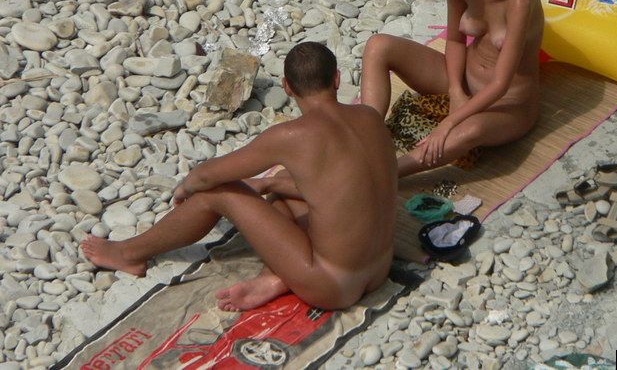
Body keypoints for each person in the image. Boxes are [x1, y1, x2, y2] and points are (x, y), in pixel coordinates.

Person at [81, 42, 398, 311]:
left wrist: (186, 188)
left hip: (331, 287)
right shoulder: (369, 117)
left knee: (217, 193)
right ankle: (274, 278)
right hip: (379, 270)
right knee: (283, 188)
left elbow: (207, 177)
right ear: (337, 79)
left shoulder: (292, 136)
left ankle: (129, 253)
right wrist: (268, 182)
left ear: (287, 87)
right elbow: (345, 190)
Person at [361, 0, 544, 177]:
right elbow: (455, 41)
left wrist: (448, 123)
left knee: (471, 130)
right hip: (462, 81)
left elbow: (500, 84)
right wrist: (456, 90)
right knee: (378, 45)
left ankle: (383, 176)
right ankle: (365, 137)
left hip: (507, 104)